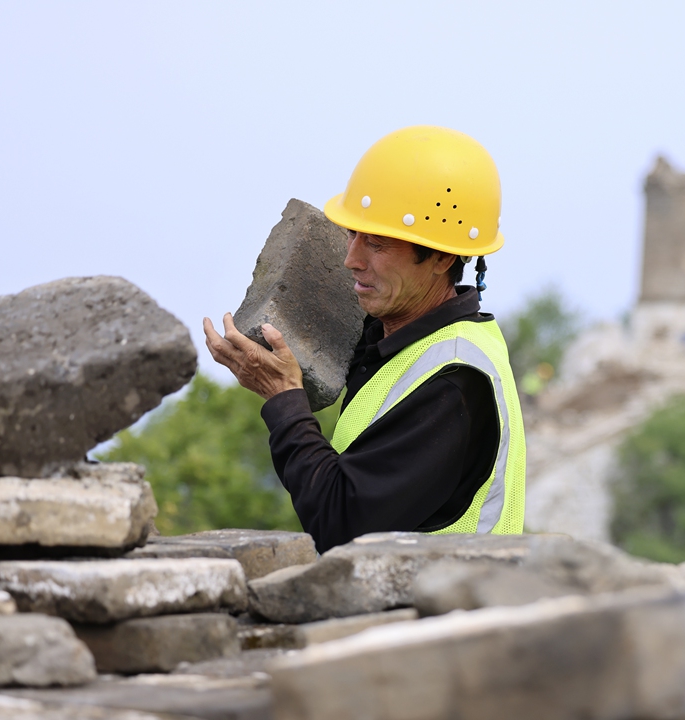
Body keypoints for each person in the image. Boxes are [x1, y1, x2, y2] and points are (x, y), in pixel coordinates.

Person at [203, 125, 526, 553]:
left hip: (441, 616)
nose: (351, 259)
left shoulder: (455, 381)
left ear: (442, 256)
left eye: (375, 244)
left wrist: (283, 398)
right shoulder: (399, 339)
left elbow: (341, 523)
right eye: (353, 234)